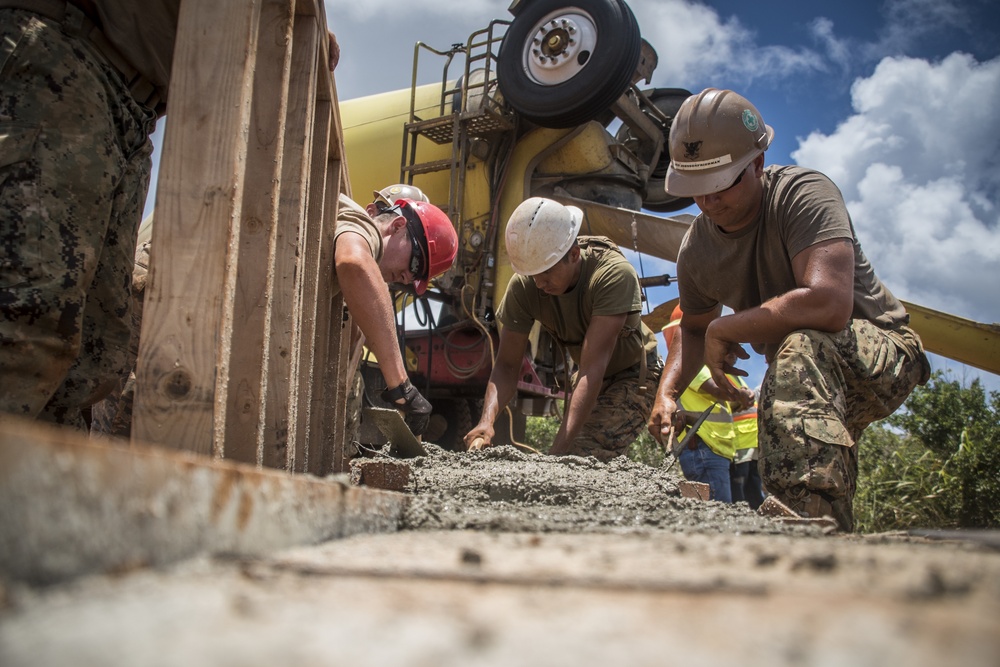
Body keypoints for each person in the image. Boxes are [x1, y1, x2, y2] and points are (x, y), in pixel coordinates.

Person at [0, 0, 340, 431]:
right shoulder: (359, 228)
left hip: (131, 107)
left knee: (93, 352)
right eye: (411, 267)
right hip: (65, 58)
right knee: (27, 316)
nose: (405, 279)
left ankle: (35, 486)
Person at [647, 88, 930, 531]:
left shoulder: (802, 195)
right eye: (695, 188)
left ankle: (809, 531)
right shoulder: (697, 250)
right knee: (786, 395)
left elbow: (828, 303)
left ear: (756, 164)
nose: (707, 201)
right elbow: (695, 330)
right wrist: (667, 392)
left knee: (797, 352)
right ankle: (825, 526)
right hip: (809, 372)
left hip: (883, 355)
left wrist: (729, 327)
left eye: (720, 185)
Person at [464, 197, 662, 461]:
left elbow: (593, 370)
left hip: (633, 374)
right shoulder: (526, 285)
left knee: (580, 454)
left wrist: (554, 459)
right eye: (532, 274)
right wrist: (486, 422)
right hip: (587, 375)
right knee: (571, 455)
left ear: (573, 254)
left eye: (546, 273)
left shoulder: (613, 275)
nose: (539, 283)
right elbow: (507, 366)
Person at [334, 191, 457, 436]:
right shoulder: (363, 225)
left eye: (416, 278)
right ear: (398, 226)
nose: (407, 278)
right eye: (415, 264)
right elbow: (354, 263)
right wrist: (402, 387)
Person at [662, 306, 754, 503]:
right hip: (704, 448)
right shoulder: (694, 366)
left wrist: (740, 399)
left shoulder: (700, 367)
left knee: (722, 509)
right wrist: (740, 395)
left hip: (715, 447)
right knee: (718, 511)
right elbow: (717, 390)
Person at [729, 378, 765, 510]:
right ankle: (739, 512)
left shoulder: (739, 380)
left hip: (753, 442)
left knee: (753, 483)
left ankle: (756, 513)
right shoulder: (723, 378)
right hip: (739, 443)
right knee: (740, 482)